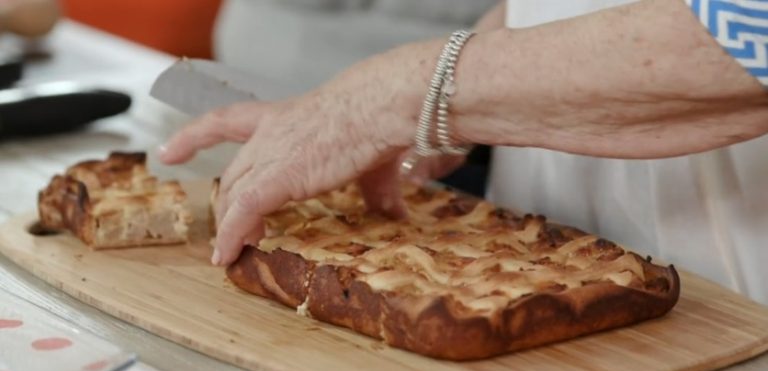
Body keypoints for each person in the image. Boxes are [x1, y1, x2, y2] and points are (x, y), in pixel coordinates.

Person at [159, 0, 768, 304]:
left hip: (735, 304)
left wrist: (399, 95)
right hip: (532, 279)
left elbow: (751, 33)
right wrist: (449, 120)